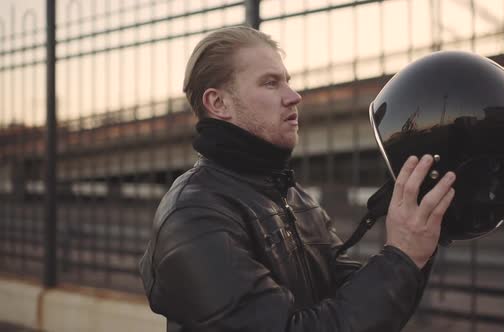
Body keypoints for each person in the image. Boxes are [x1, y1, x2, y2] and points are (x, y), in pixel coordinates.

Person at [138, 25, 456, 332]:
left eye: (287, 81)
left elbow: (351, 301)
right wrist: (401, 257)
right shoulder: (195, 215)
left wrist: (414, 248)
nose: (294, 96)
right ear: (219, 103)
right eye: (270, 83)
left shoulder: (292, 196)